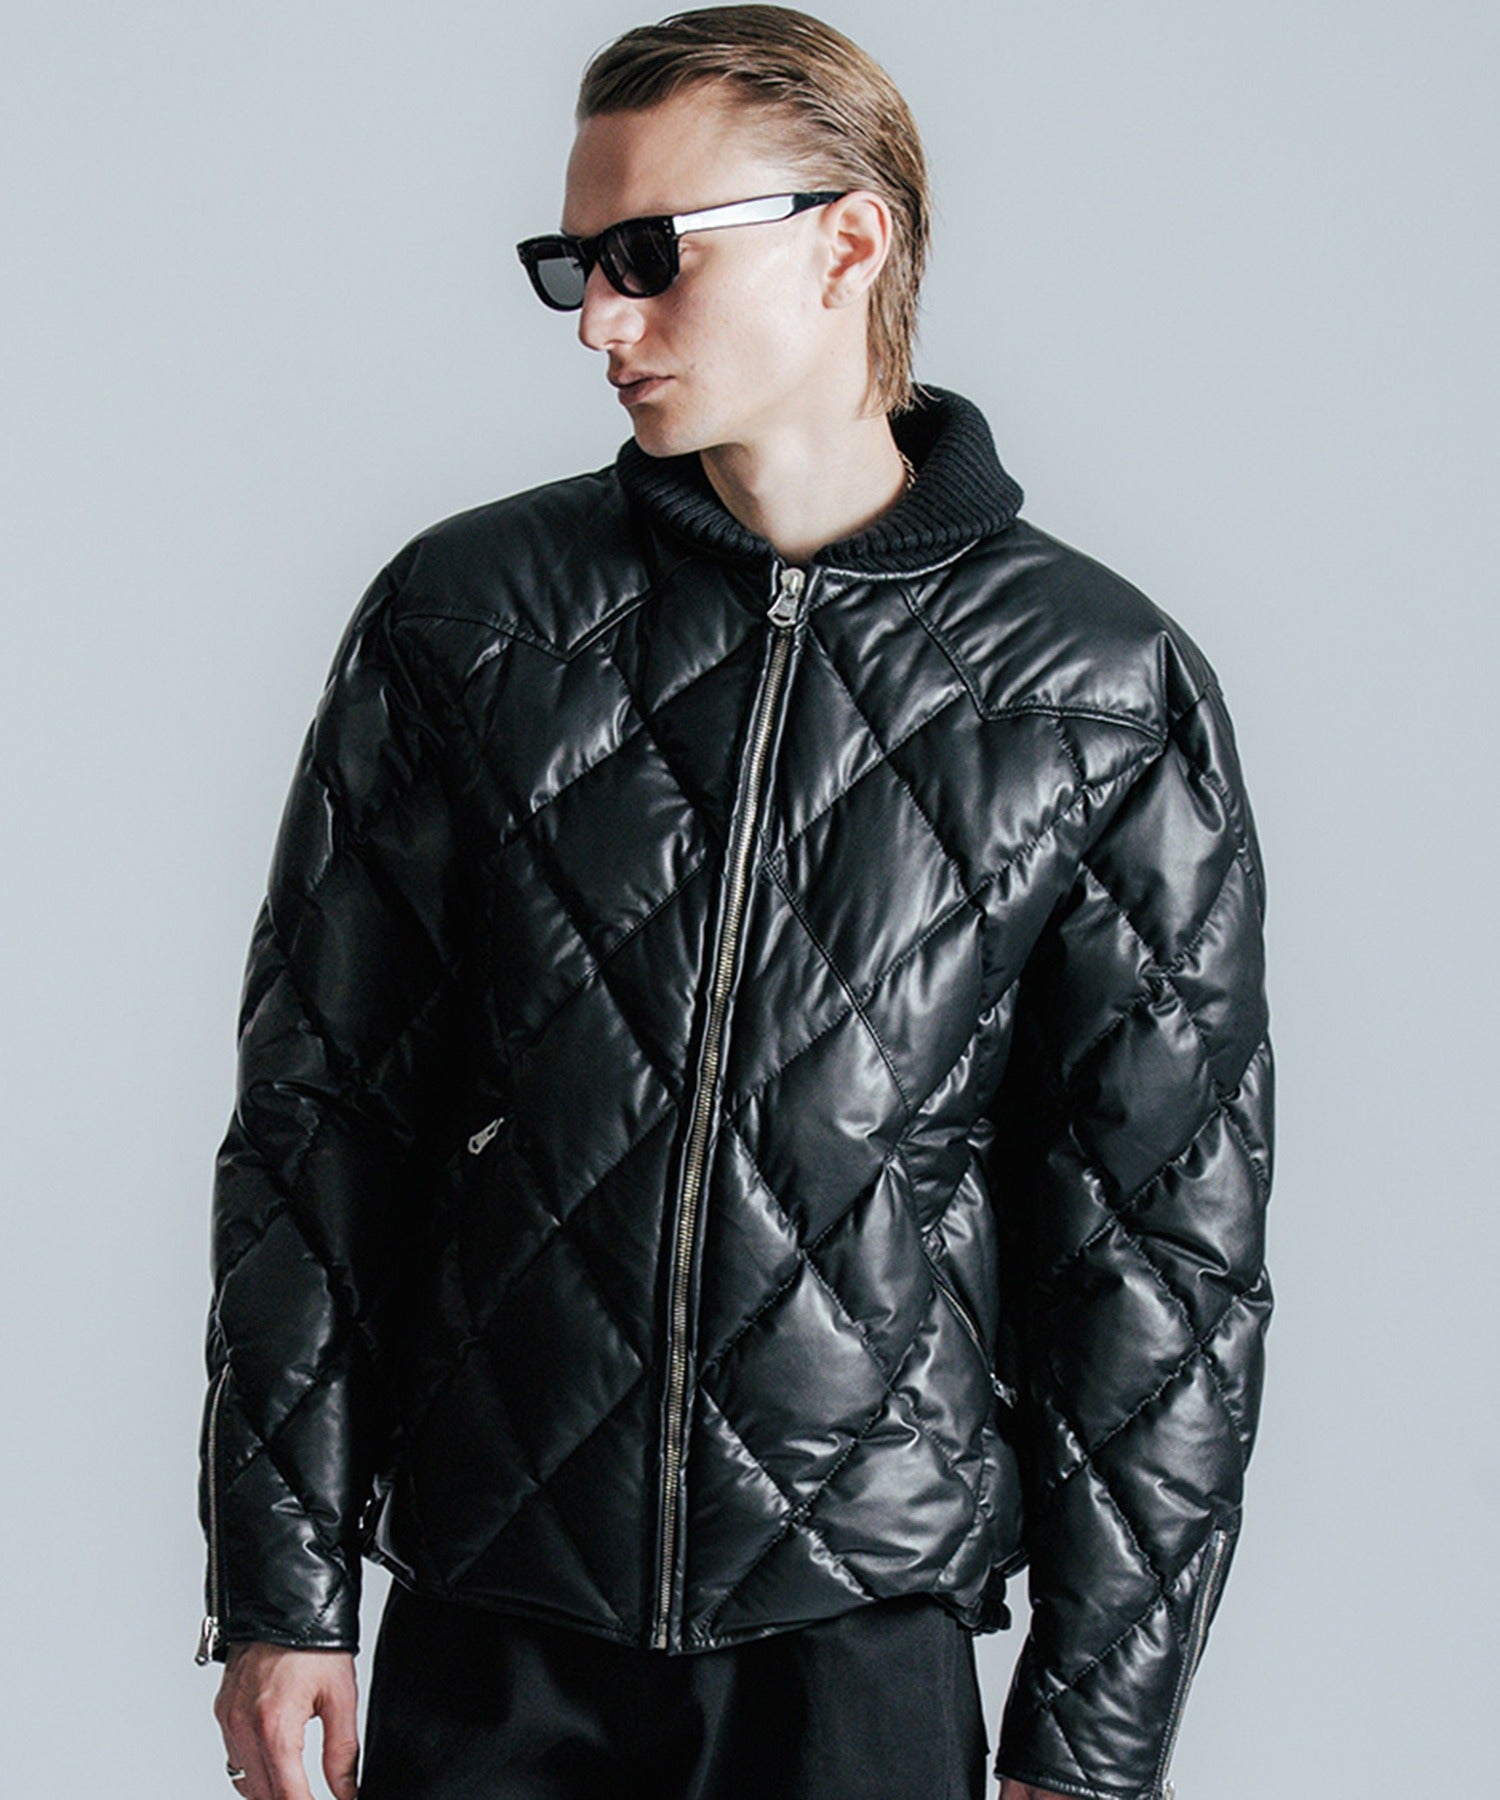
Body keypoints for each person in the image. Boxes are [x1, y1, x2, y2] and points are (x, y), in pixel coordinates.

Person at [195, 9, 1275, 1800]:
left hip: (859, 1636)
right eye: (574, 266)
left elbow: (1159, 1253)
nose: (600, 323)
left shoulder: (1097, 686)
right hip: (494, 1606)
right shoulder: (470, 619)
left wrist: (1093, 1735)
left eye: (647, 256)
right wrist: (281, 1586)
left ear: (848, 241)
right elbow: (323, 1128)